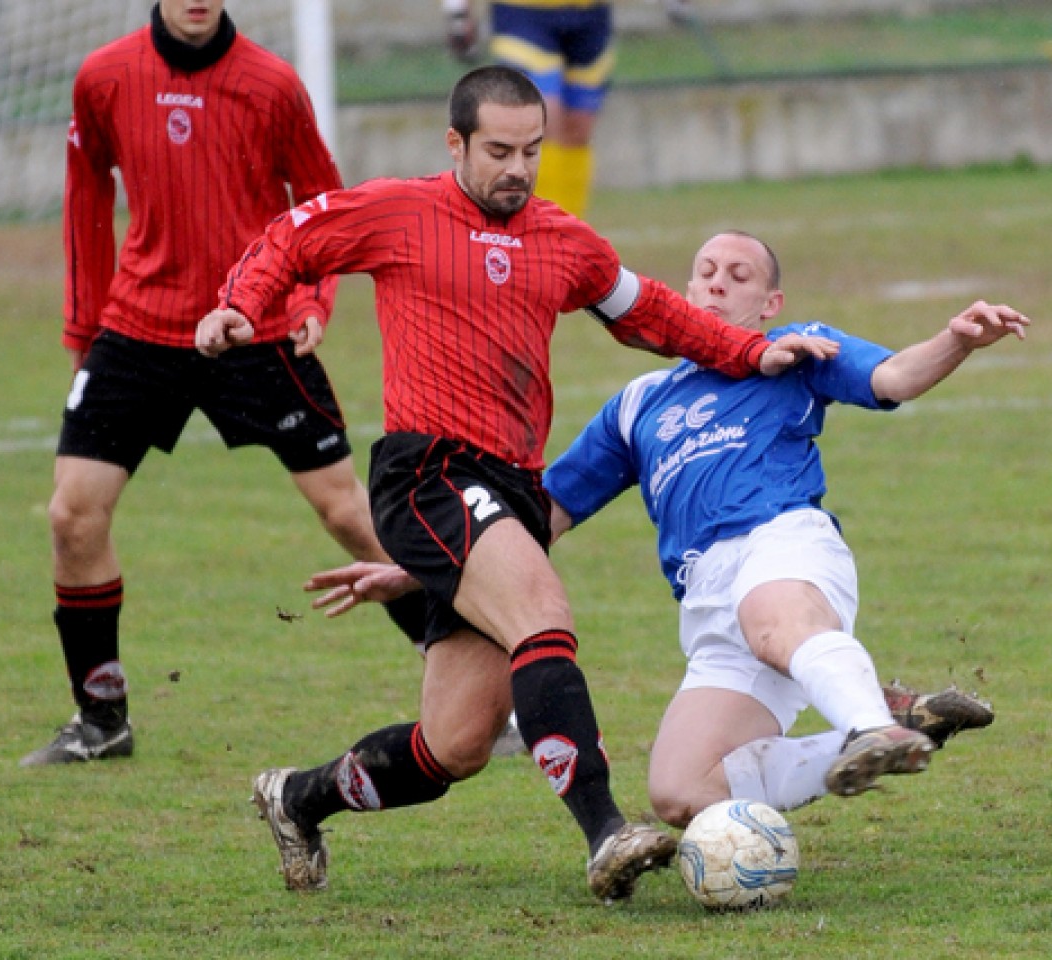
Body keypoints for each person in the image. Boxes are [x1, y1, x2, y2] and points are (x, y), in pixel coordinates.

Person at [194, 65, 841, 902]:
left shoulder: (564, 241)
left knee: (453, 744)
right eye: (498, 150)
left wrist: (752, 351)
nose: (518, 168)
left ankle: (297, 797)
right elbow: (292, 236)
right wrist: (242, 302)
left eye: (531, 151)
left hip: (509, 488)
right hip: (428, 470)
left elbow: (651, 313)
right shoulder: (398, 210)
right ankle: (607, 831)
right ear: (455, 143)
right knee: (544, 614)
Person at [307, 231, 1015, 829]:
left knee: (774, 624)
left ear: (768, 305)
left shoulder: (797, 352)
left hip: (781, 543)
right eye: (704, 273)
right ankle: (897, 731)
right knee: (682, 791)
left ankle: (872, 726)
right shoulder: (640, 404)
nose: (716, 285)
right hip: (707, 602)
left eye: (738, 277)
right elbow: (539, 516)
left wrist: (956, 341)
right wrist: (424, 566)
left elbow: (893, 377)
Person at [21, 0, 423, 767]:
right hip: (139, 328)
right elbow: (86, 196)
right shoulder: (104, 77)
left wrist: (310, 298)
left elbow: (320, 198)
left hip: (254, 325)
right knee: (73, 515)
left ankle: (459, 671)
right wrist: (83, 328)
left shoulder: (272, 85)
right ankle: (101, 718)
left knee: (348, 512)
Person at [442, 0, 688, 219]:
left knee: (578, 129)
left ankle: (568, 232)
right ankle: (534, 228)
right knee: (545, 119)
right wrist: (457, 12)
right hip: (524, 14)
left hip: (591, 17)